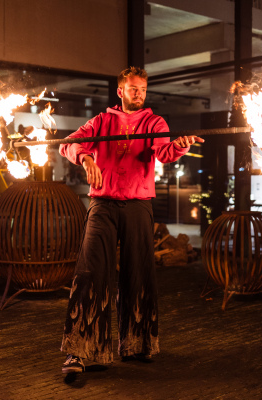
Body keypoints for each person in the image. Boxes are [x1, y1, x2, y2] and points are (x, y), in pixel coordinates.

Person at [59, 66, 204, 374]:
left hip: (139, 204)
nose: (139, 94)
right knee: (89, 273)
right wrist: (86, 158)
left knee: (139, 273)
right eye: (133, 88)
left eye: (143, 90)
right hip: (103, 203)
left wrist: (179, 146)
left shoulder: (154, 122)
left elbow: (164, 152)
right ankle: (80, 352)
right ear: (120, 91)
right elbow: (68, 142)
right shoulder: (101, 122)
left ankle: (138, 344)